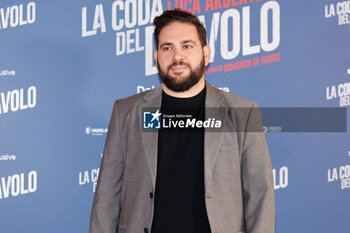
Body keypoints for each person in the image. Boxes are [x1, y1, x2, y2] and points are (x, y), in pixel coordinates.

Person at [90, 9, 275, 233]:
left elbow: (259, 195)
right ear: (156, 56)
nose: (177, 56)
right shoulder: (127, 111)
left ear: (206, 54)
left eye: (187, 46)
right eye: (167, 47)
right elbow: (107, 195)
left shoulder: (243, 113)